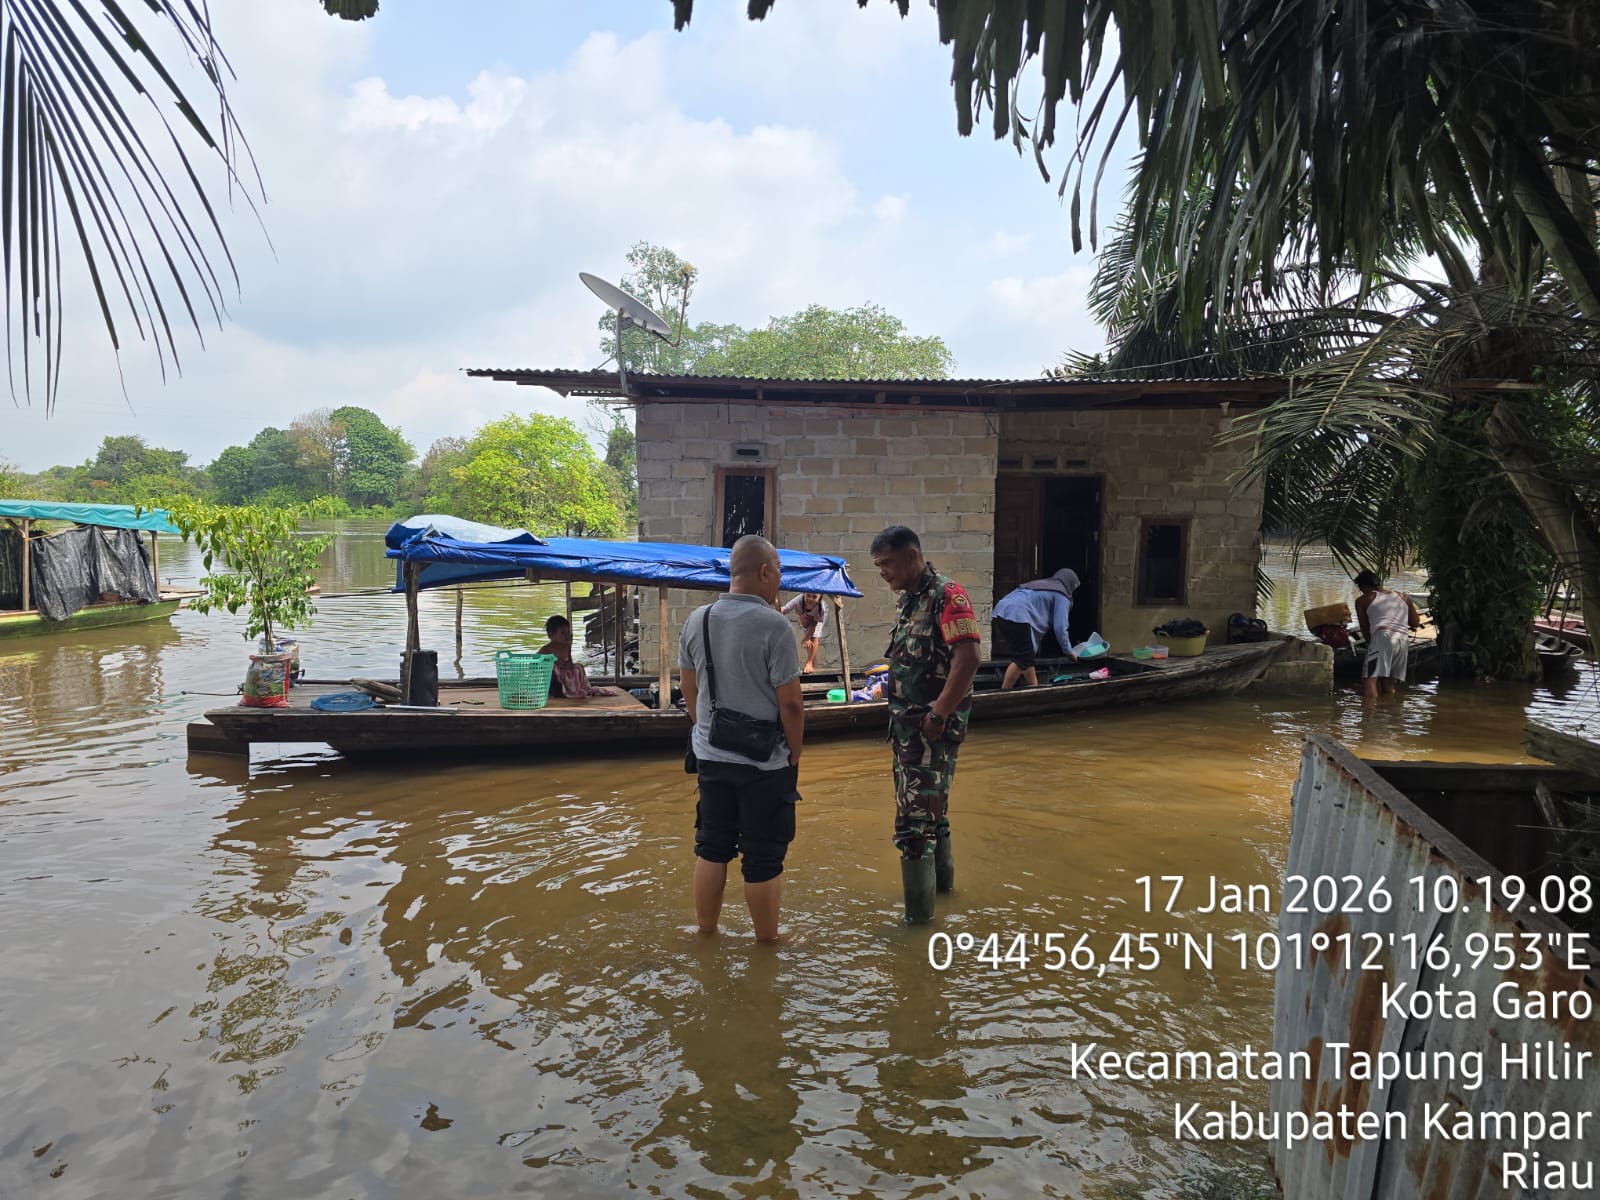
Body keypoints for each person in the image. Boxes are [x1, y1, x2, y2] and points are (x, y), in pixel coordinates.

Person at [679, 535, 806, 942]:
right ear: (765, 571)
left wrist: (706, 734)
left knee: (711, 845)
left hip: (711, 757)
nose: (781, 579)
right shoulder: (776, 626)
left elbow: (689, 689)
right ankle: (768, 941)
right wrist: (795, 755)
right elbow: (791, 706)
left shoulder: (696, 619)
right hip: (764, 762)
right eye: (780, 570)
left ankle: (705, 931)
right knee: (763, 854)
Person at [870, 525, 982, 924]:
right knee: (934, 816)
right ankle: (945, 901)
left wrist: (939, 714)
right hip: (908, 731)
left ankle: (918, 932)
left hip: (930, 732)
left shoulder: (946, 596)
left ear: (912, 555)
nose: (881, 572)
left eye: (886, 563)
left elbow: (967, 659)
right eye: (878, 565)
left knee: (914, 830)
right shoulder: (911, 600)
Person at [991, 568, 1080, 689]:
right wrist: (1068, 651)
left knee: (1027, 655)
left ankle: (1035, 688)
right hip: (1018, 614)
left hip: (1001, 612)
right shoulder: (1062, 594)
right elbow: (1060, 627)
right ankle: (1003, 693)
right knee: (1022, 658)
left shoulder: (1040, 585)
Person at [1354, 570, 1422, 700]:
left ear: (1364, 587)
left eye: (1361, 589)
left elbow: (1364, 627)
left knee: (1369, 679)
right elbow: (1415, 623)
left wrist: (1370, 644)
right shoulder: (1403, 597)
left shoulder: (1363, 599)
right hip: (1402, 639)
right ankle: (1390, 711)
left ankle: (1369, 716)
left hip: (1383, 636)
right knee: (1388, 682)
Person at [536, 615, 614, 699]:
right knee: (554, 669)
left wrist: (567, 665)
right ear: (551, 634)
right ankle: (558, 693)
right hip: (552, 678)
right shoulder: (546, 649)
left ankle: (573, 689)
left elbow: (570, 662)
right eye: (562, 633)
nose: (566, 636)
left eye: (568, 632)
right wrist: (552, 664)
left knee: (578, 667)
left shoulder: (567, 647)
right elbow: (535, 662)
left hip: (565, 675)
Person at [780, 591, 829, 674]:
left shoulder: (821, 608)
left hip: (817, 620)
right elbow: (784, 610)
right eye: (808, 595)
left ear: (819, 598)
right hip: (805, 616)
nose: (810, 599)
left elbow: (815, 623)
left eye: (814, 597)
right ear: (803, 594)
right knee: (807, 642)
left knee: (814, 636)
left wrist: (807, 637)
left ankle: (809, 662)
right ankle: (813, 661)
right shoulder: (798, 600)